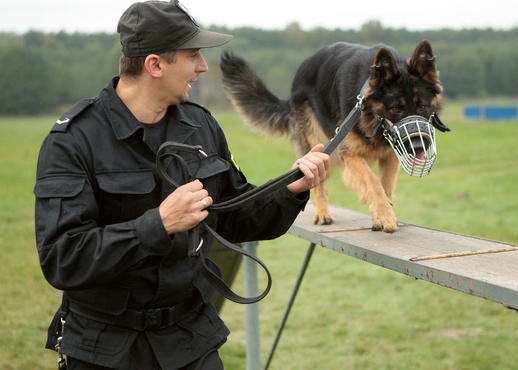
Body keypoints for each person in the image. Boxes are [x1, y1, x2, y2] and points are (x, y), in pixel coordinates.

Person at [33, 1, 330, 369]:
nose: (203, 67)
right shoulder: (73, 140)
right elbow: (63, 258)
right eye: (193, 56)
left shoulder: (201, 126)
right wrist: (157, 224)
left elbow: (235, 218)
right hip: (104, 349)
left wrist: (291, 190)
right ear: (155, 65)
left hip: (190, 341)